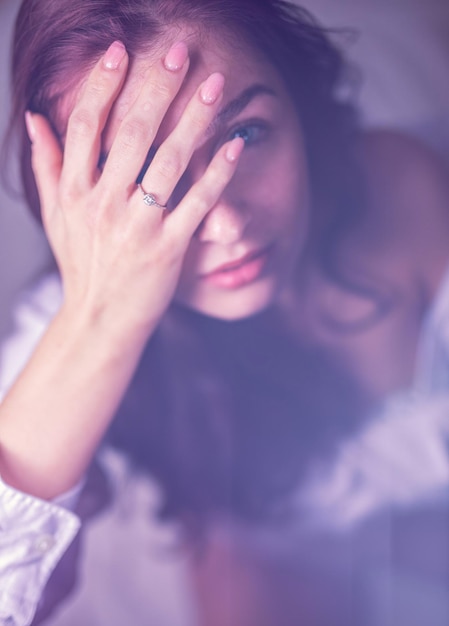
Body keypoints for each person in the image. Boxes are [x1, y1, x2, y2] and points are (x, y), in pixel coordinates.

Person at [1, 0, 449, 624]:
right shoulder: (64, 334)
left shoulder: (416, 195)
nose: (228, 226)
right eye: (142, 173)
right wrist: (101, 323)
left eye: (245, 134)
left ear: (300, 106)